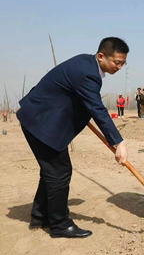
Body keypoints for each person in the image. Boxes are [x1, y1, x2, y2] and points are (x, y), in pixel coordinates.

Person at [16, 37, 129, 238]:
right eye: (117, 62)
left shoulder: (86, 64)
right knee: (60, 171)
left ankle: (40, 216)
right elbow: (97, 109)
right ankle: (59, 224)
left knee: (52, 171)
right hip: (40, 122)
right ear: (101, 56)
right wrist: (118, 142)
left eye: (123, 63)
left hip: (40, 118)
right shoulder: (88, 73)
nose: (119, 67)